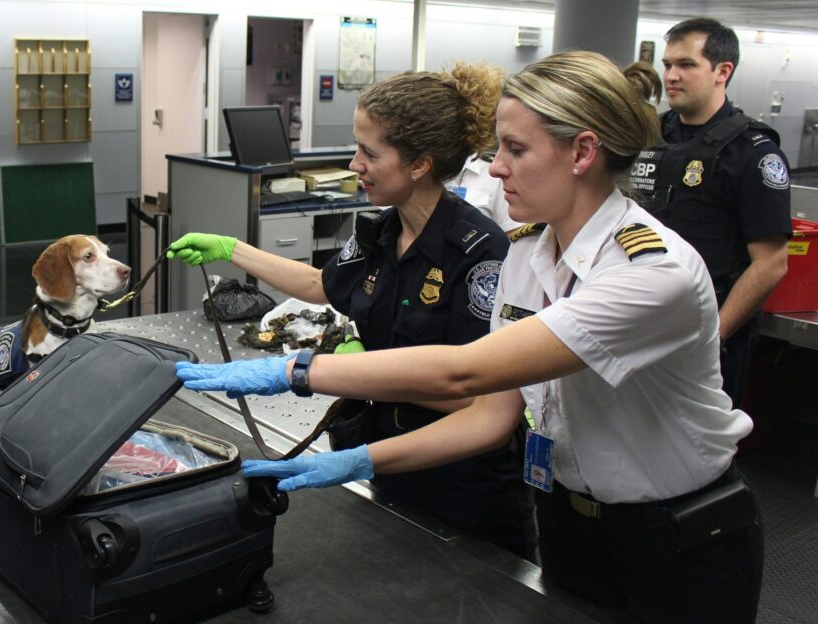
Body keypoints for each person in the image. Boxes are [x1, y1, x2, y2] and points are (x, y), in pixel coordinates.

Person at [175, 51, 763, 623]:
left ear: (583, 151)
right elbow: (491, 415)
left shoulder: (648, 272)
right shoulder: (530, 255)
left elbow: (466, 372)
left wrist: (295, 371)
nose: (495, 166)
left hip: (675, 539)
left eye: (515, 148)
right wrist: (357, 461)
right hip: (569, 524)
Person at [168, 63, 537, 561]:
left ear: (419, 164)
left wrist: (344, 372)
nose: (353, 163)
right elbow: (324, 285)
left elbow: (476, 401)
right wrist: (231, 248)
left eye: (369, 152)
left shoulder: (479, 254)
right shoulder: (381, 232)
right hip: (386, 458)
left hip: (460, 486)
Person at [629, 18, 791, 406]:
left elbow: (771, 263)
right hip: (641, 320)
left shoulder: (751, 152)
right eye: (668, 65)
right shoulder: (647, 137)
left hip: (708, 331)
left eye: (686, 65)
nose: (671, 76)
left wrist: (714, 336)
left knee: (701, 452)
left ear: (723, 71)